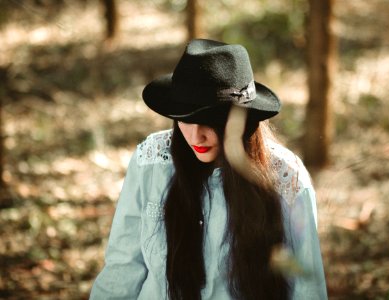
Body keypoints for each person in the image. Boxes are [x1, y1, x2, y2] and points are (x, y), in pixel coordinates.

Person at [90, 39, 327, 300]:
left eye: (209, 121)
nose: (195, 136)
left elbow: (307, 288)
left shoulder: (286, 180)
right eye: (185, 120)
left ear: (242, 120)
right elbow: (122, 269)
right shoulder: (150, 163)